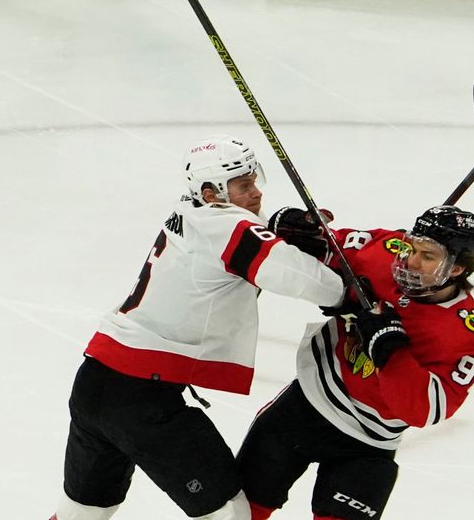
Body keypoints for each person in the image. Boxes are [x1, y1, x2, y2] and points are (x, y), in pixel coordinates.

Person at [50, 135, 344, 520]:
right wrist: (357, 292)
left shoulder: (188, 211)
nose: (256, 193)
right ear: (211, 192)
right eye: (244, 186)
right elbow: (314, 283)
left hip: (95, 386)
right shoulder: (229, 229)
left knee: (80, 515)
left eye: (255, 181)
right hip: (144, 400)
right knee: (230, 514)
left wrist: (276, 226)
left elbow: (233, 239)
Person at [236, 205, 474, 520]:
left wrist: (389, 348)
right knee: (236, 513)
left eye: (427, 257)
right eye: (412, 247)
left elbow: (423, 410)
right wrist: (293, 230)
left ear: (456, 269)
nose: (410, 260)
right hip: (303, 409)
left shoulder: (468, 337)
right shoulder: (385, 251)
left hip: (368, 443)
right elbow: (324, 254)